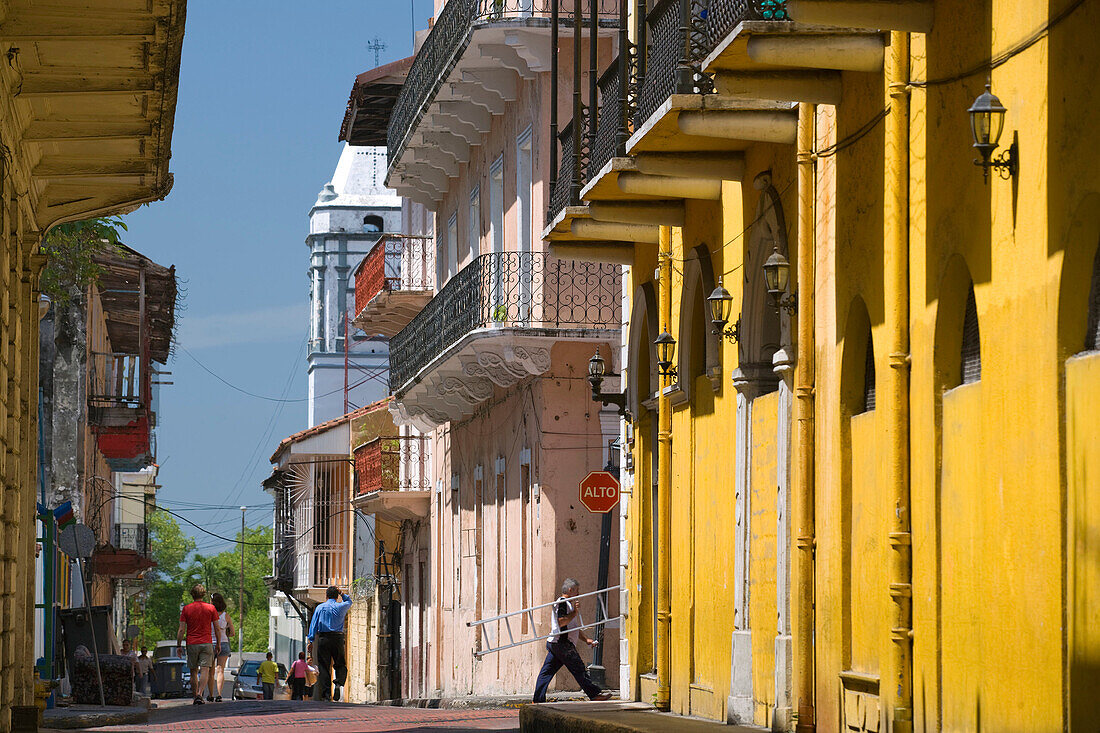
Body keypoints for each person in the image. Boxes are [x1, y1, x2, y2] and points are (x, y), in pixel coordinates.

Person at [532, 578, 612, 703]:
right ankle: (594, 694)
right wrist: (575, 613)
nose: (579, 593)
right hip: (562, 644)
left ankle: (537, 699)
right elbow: (561, 622)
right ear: (570, 590)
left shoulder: (567, 603)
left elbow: (573, 628)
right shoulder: (563, 603)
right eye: (577, 590)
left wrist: (586, 640)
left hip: (556, 643)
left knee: (547, 672)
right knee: (579, 668)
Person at [307, 585, 352, 701]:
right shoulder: (341, 606)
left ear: (326, 596)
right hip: (337, 638)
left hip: (324, 639)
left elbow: (314, 624)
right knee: (340, 663)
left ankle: (326, 694)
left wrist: (310, 640)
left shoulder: (320, 608)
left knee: (324, 666)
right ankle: (338, 683)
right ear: (337, 597)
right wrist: (342, 593)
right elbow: (349, 601)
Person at [176, 583, 218, 705]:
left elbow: (181, 630)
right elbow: (216, 628)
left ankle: (195, 696)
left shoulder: (186, 609)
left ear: (192, 595)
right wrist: (219, 643)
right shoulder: (211, 608)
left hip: (192, 643)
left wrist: (179, 645)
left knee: (193, 671)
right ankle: (200, 694)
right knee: (205, 670)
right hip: (207, 642)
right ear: (203, 594)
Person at [209, 593, 235, 702]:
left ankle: (210, 694)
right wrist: (225, 631)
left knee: (210, 671)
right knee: (220, 670)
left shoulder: (208, 615)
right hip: (223, 643)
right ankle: (219, 695)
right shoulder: (226, 616)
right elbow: (232, 633)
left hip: (210, 643)